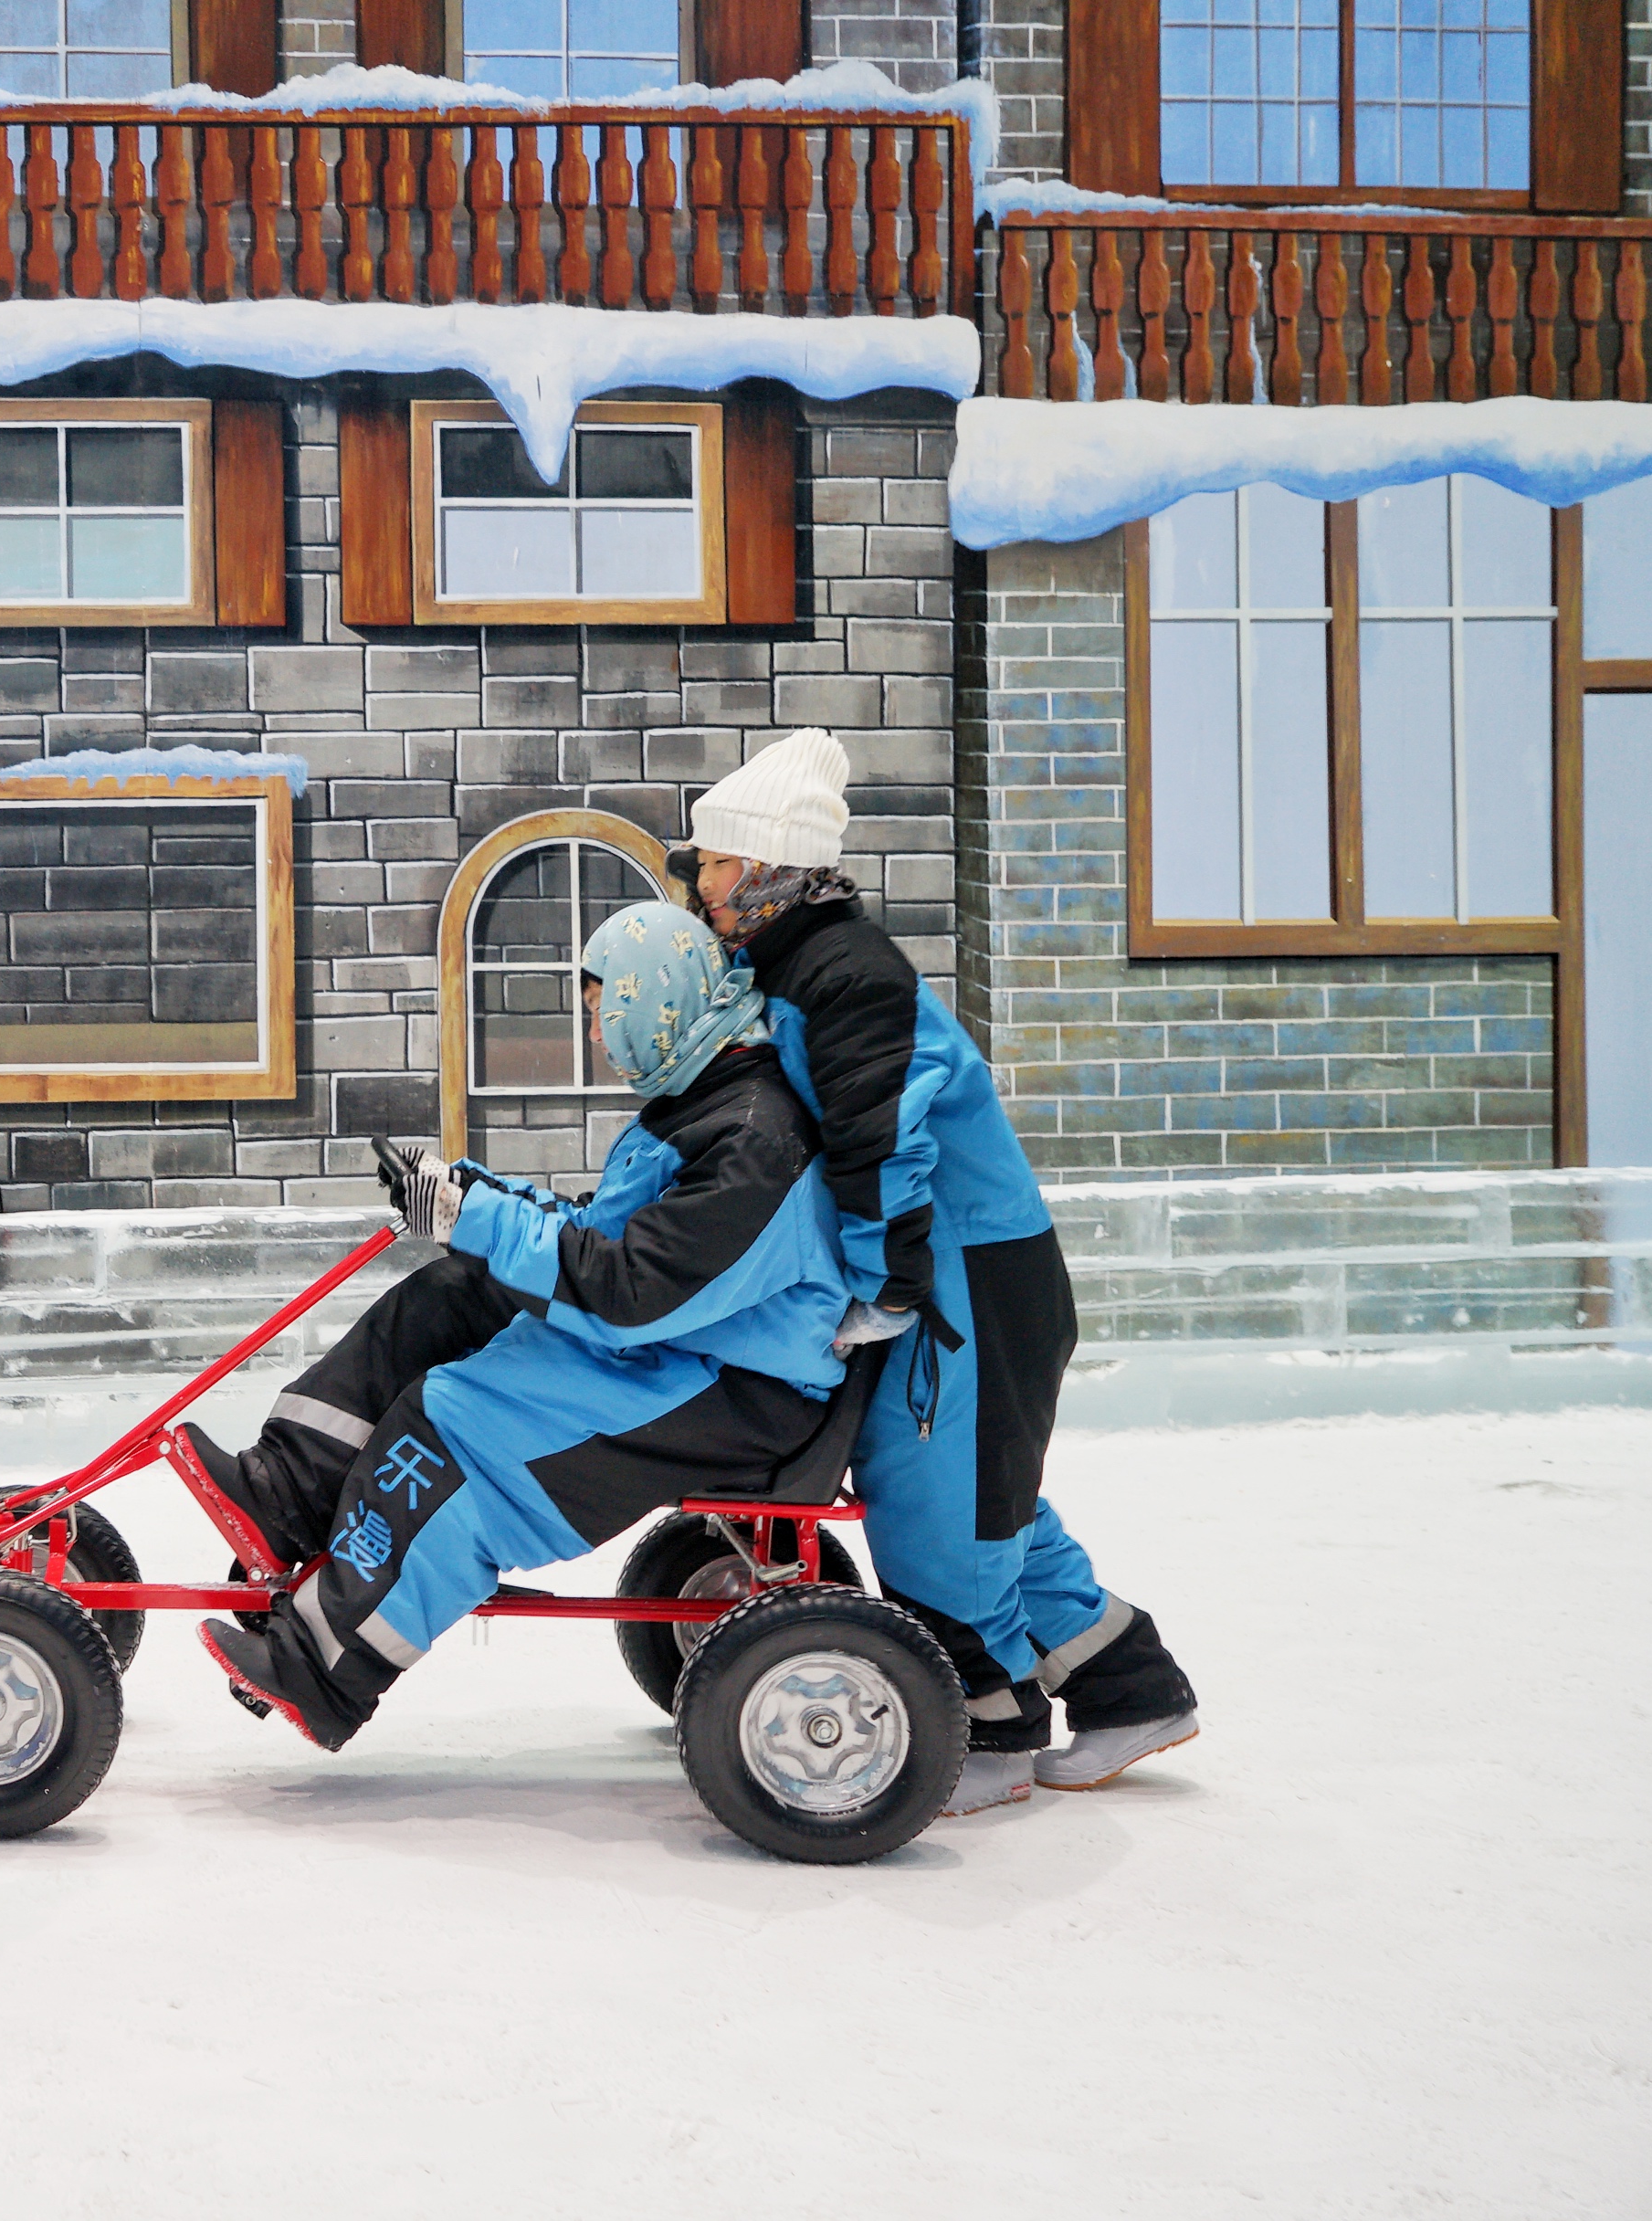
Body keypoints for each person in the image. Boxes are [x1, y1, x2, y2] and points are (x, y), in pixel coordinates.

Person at [678, 728, 1200, 1809]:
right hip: (973, 1270)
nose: (704, 883)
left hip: (964, 1277)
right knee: (989, 1501)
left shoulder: (843, 977)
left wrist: (885, 1286)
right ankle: (1130, 1685)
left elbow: (885, 1142)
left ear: (772, 868)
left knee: (937, 1507)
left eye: (718, 864)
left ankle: (994, 1733)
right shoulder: (801, 963)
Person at [192, 901, 852, 1752]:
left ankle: (324, 1664)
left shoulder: (755, 1140)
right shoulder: (704, 1095)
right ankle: (290, 1491)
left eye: (602, 1014)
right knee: (451, 1297)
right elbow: (609, 1235)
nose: (599, 1039)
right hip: (684, 1342)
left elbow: (631, 1291)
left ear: (655, 1004)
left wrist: (483, 1221)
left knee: (457, 1420)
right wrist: (476, 1205)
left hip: (731, 1388)